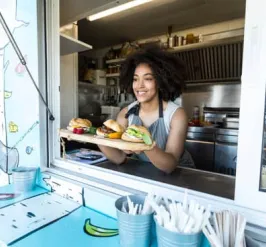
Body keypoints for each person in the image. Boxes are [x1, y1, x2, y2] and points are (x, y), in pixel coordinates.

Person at [98, 47, 194, 173]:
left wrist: (144, 145)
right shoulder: (126, 114)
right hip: (145, 173)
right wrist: (99, 139)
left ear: (160, 81)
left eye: (148, 78)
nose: (139, 85)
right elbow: (120, 158)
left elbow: (170, 165)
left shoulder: (176, 114)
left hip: (181, 177)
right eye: (135, 79)